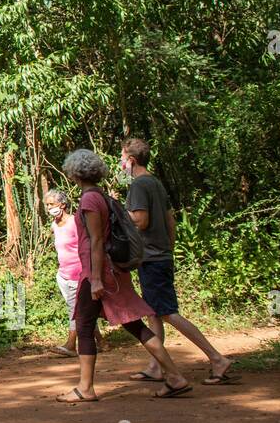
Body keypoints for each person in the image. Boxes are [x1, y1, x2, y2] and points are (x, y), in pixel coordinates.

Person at [56, 150, 190, 402]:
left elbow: (96, 241)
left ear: (74, 173)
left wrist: (95, 279)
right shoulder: (101, 197)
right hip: (111, 273)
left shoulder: (89, 201)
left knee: (84, 326)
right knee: (134, 325)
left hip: (99, 274)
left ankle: (85, 388)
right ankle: (174, 376)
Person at [122, 138, 236, 385]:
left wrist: (118, 214)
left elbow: (140, 221)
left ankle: (216, 358)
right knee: (153, 312)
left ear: (131, 160)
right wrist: (168, 250)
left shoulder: (139, 186)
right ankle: (156, 366)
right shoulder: (156, 183)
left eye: (122, 157)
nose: (121, 163)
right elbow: (170, 220)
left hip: (152, 258)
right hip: (158, 256)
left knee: (167, 313)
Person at [46, 190, 84, 357]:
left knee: (74, 309)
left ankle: (70, 345)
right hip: (62, 275)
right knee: (80, 309)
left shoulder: (75, 221)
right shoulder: (54, 224)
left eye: (51, 204)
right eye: (47, 205)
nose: (49, 208)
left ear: (62, 204)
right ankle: (102, 341)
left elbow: (85, 246)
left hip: (78, 274)